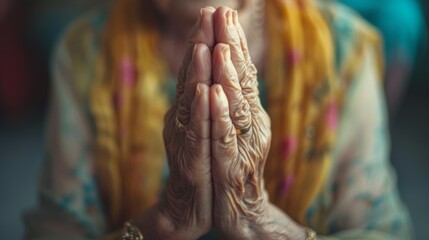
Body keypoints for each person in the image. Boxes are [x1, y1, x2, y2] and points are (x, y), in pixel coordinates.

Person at [23, 0, 412, 239]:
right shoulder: (86, 53)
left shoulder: (342, 50)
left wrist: (268, 230)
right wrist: (164, 226)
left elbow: (381, 232)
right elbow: (56, 229)